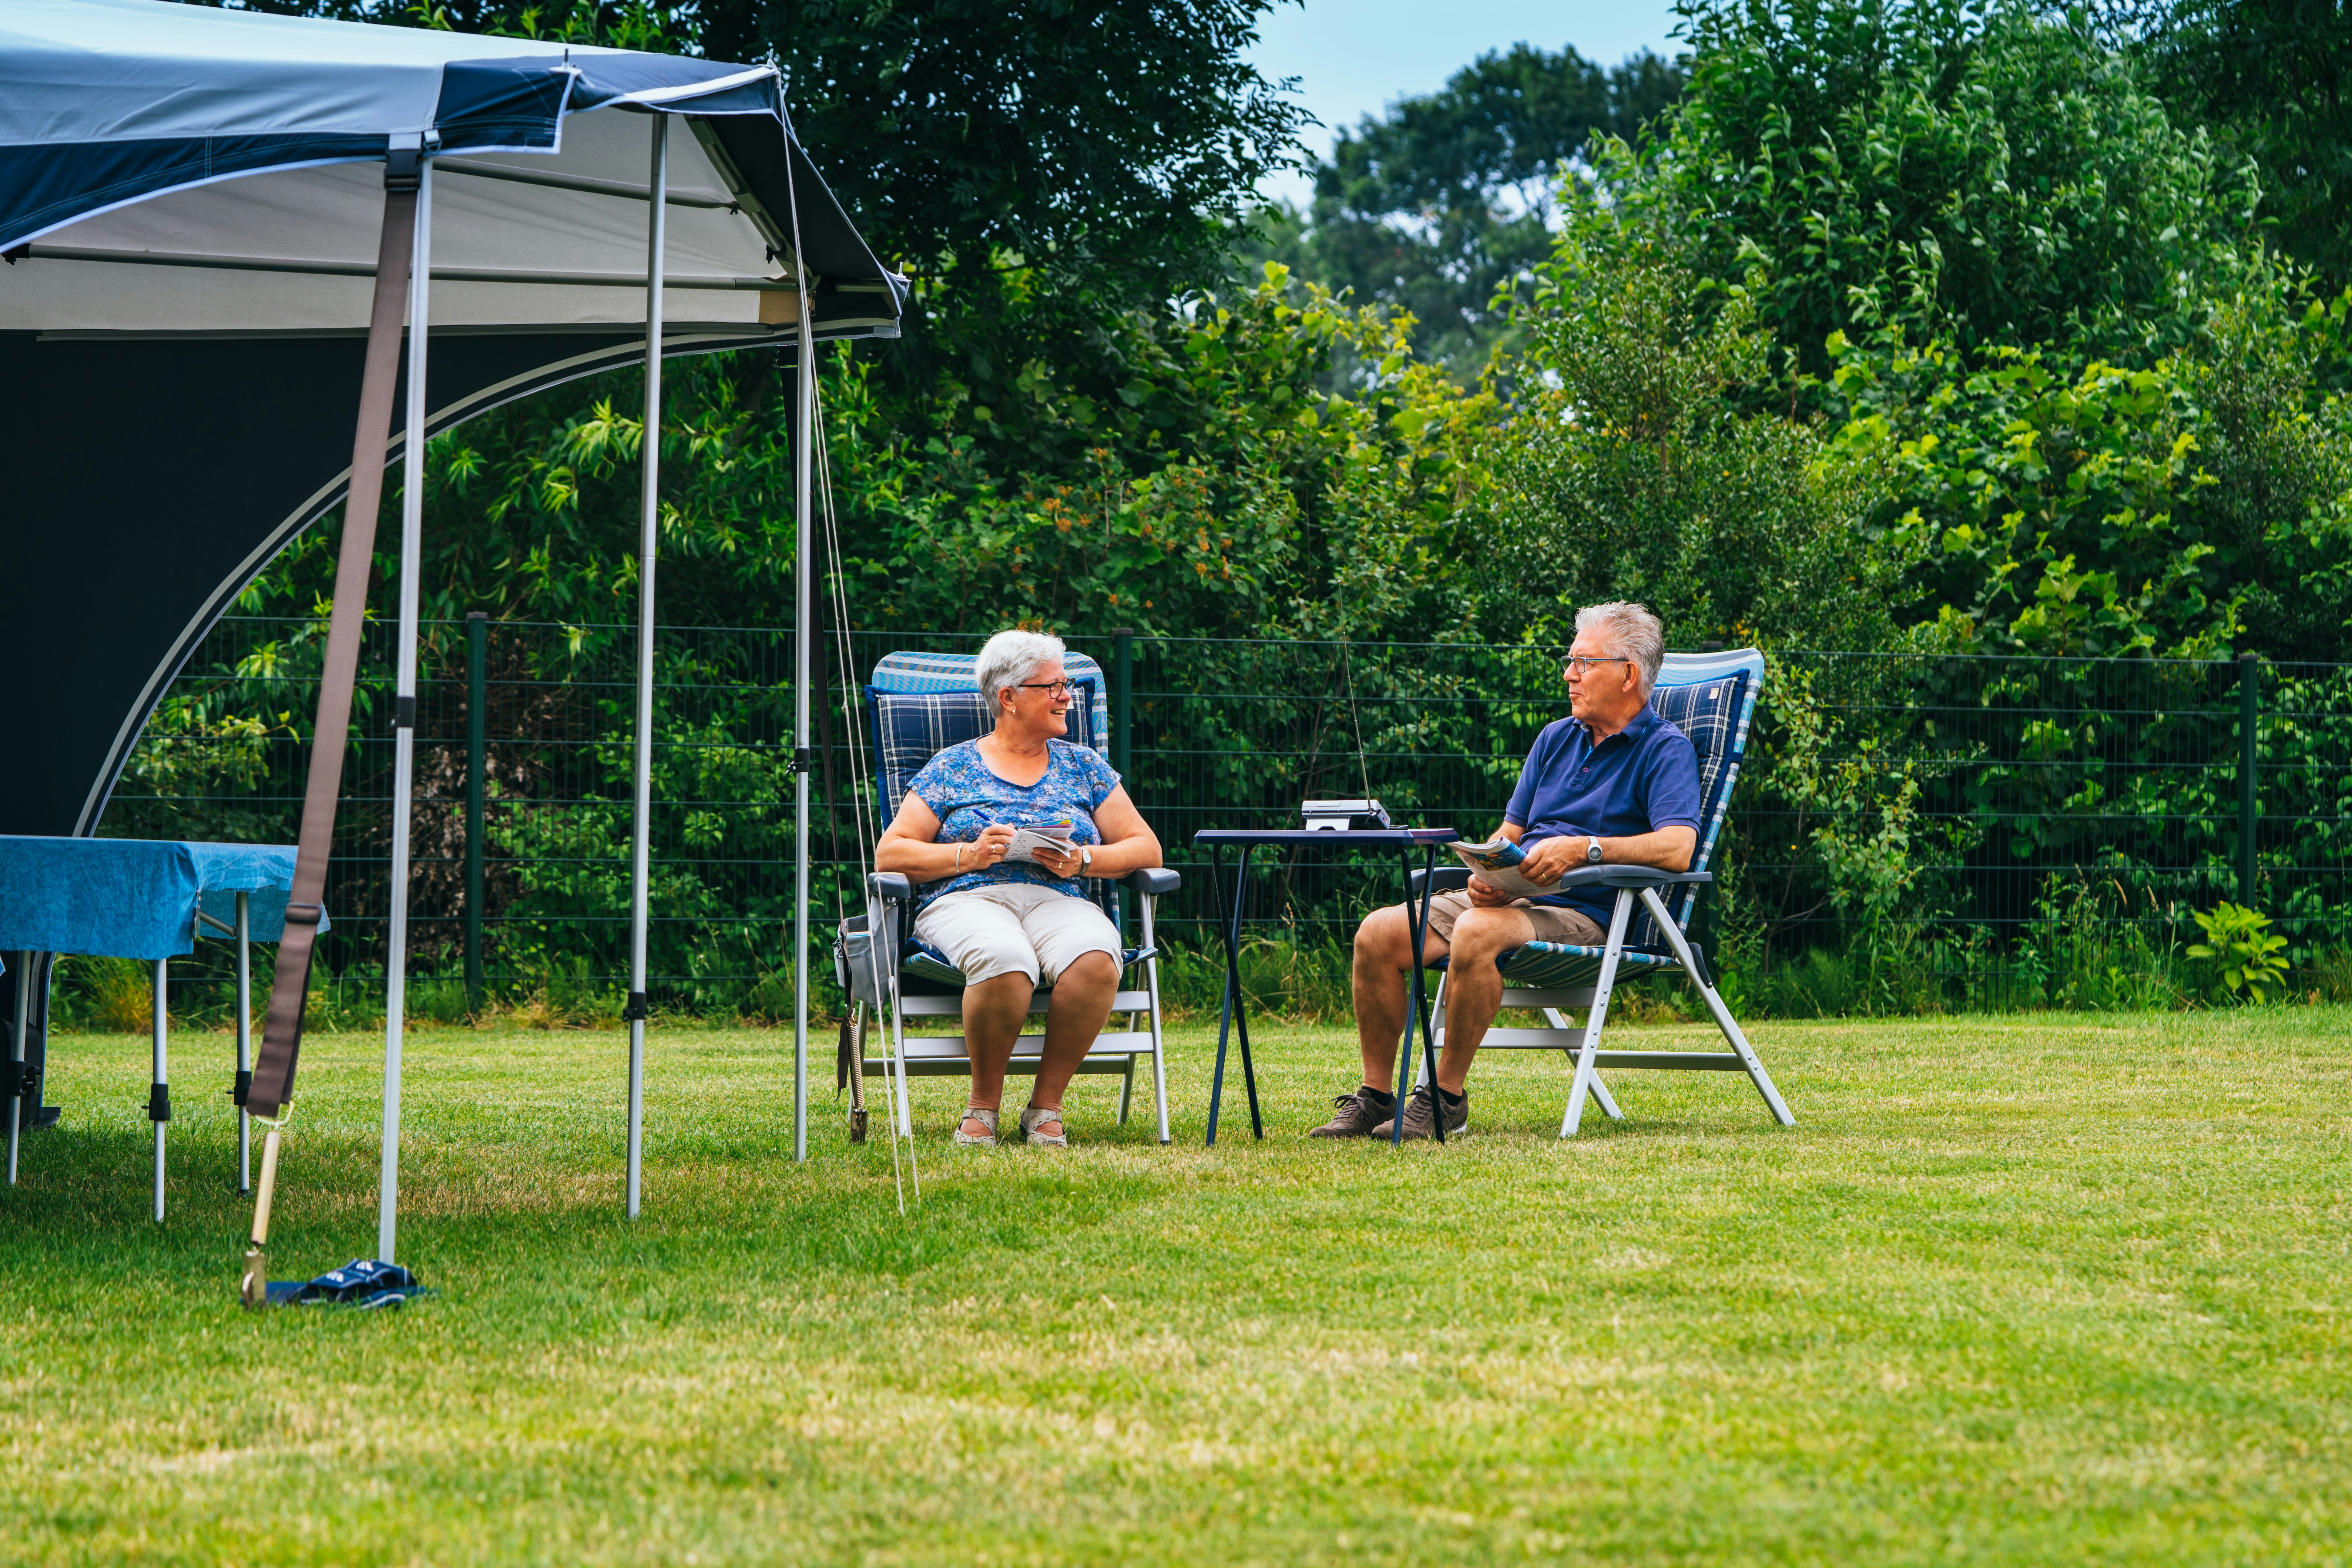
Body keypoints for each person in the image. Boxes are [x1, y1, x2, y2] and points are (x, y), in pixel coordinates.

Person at [1315, 601, 1702, 1141]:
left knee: (1476, 932)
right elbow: (1509, 834)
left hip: (1590, 912)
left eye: (1583, 663)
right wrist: (1488, 871)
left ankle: (1445, 1099)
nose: (1569, 674)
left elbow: (1678, 848)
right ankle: (1377, 1097)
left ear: (1628, 674)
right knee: (1377, 933)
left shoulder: (1666, 750)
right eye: (1571, 661)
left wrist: (1585, 850)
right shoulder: (1554, 738)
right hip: (1515, 897)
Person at [874, 629, 1164, 1148]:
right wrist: (970, 853)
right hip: (967, 899)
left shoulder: (1084, 766)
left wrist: (1083, 859)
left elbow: (1146, 848)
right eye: (1053, 686)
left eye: (1067, 685)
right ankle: (983, 1108)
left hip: (1059, 897)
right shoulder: (952, 767)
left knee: (1097, 956)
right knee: (1005, 956)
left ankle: (1045, 1107)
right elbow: (890, 854)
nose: (1067, 696)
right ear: (1009, 697)